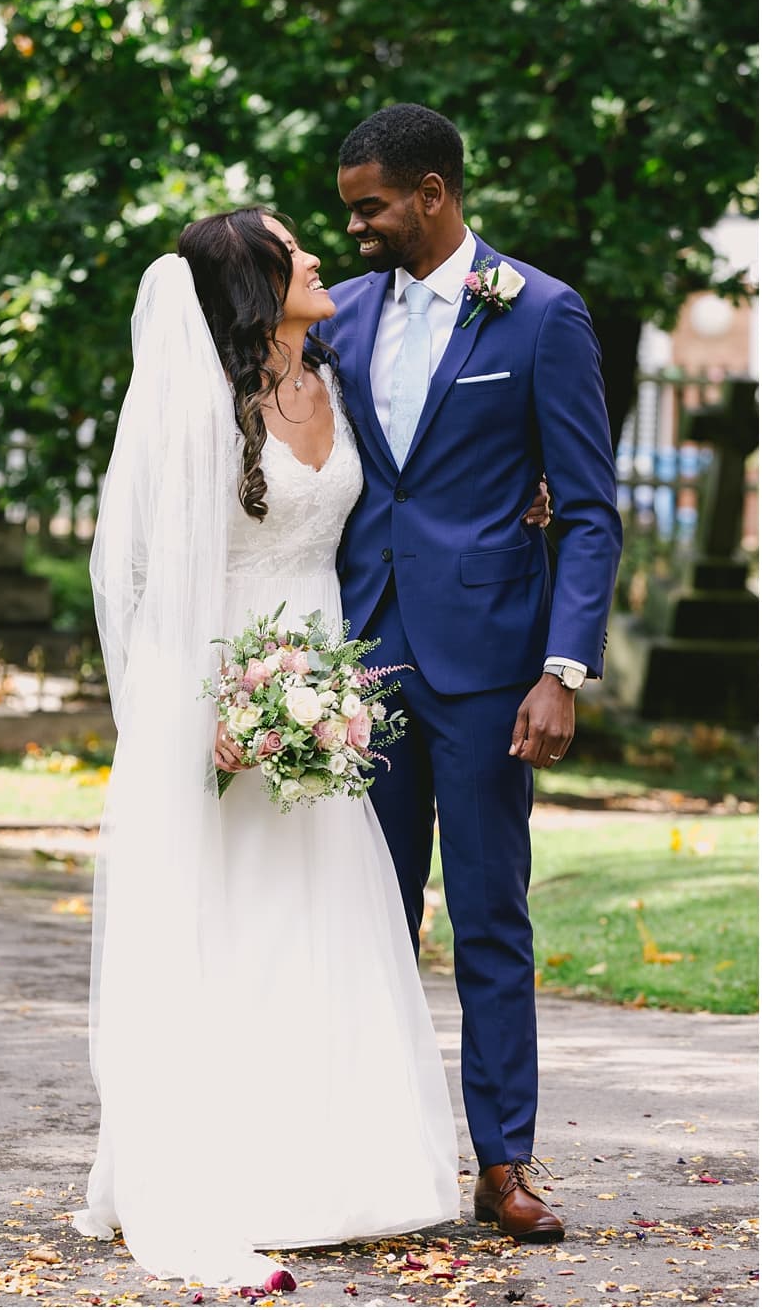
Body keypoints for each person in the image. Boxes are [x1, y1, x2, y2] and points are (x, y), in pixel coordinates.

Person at [73, 208, 467, 1289]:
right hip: (224, 684)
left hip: (324, 678)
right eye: (290, 250)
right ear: (253, 282)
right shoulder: (200, 406)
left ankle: (349, 1165)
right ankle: (235, 1167)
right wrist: (202, 704)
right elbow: (146, 574)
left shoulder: (333, 382)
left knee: (325, 909)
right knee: (236, 911)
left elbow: (399, 502)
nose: (313, 258)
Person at [316, 104, 623, 1243]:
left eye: (371, 206)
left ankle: (504, 1162)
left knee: (489, 915)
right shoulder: (334, 320)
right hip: (360, 660)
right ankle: (365, 1154)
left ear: (433, 193)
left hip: (493, 667)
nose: (354, 228)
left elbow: (587, 511)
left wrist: (561, 668)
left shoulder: (539, 313)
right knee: (363, 919)